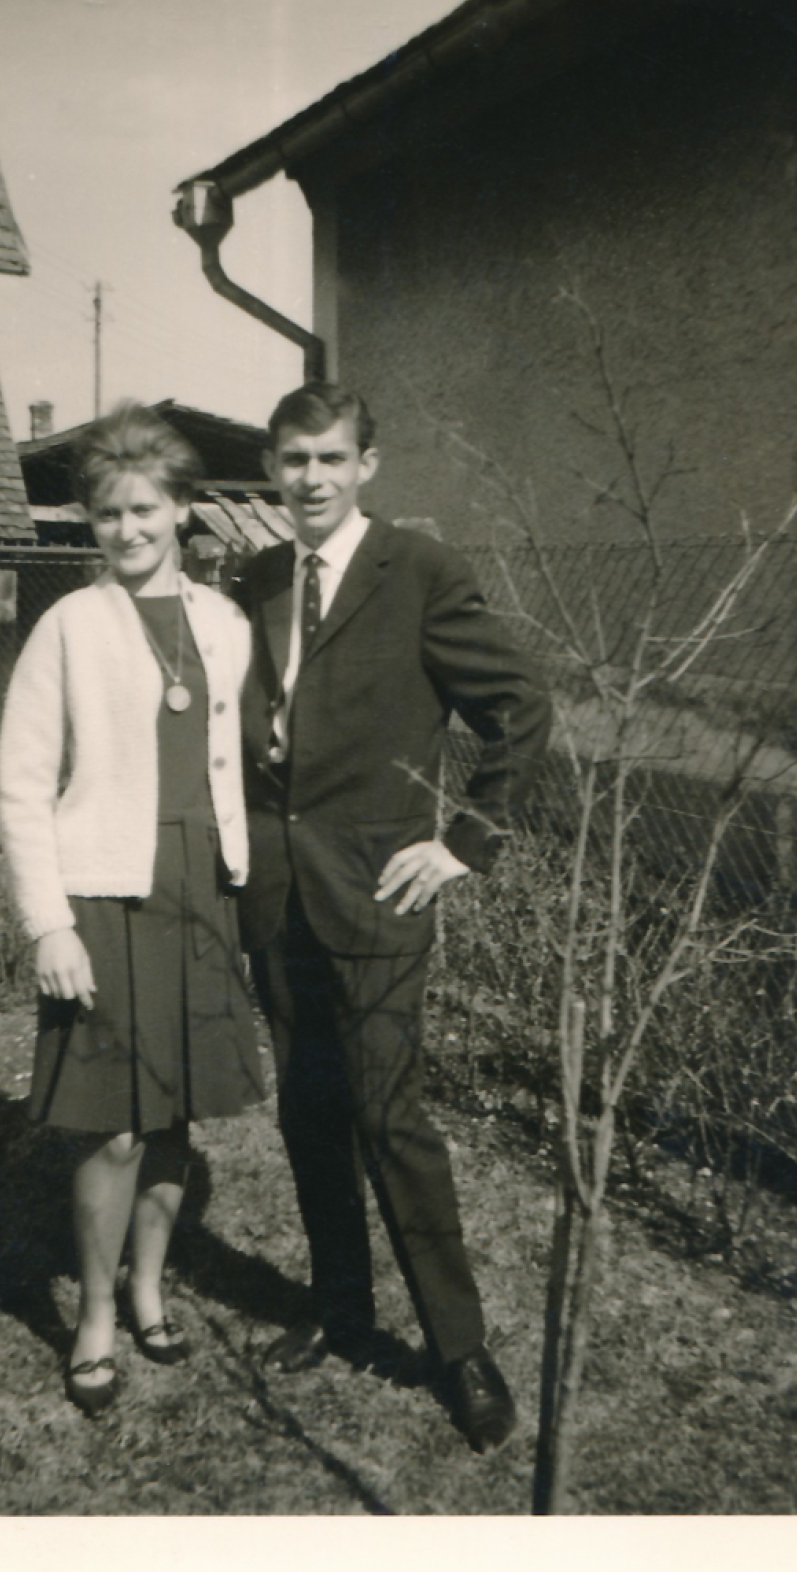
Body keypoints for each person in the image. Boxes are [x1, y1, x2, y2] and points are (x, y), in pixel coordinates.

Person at [235, 382, 552, 1453]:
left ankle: (457, 1349)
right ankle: (339, 1305)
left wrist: (462, 842)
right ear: (272, 469)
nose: (310, 480)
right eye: (292, 461)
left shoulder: (416, 572)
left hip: (378, 893)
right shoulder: (258, 577)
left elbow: (517, 705)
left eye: (329, 459)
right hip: (276, 891)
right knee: (308, 1111)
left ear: (366, 464)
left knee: (390, 1119)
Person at [0, 401, 264, 1416]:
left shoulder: (225, 625)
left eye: (145, 509)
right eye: (107, 514)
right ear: (91, 521)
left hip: (201, 888)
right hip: (103, 893)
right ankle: (96, 1315)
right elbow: (21, 783)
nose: (127, 529)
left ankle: (152, 1287)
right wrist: (47, 922)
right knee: (108, 1131)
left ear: (182, 510)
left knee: (171, 1121)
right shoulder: (68, 627)